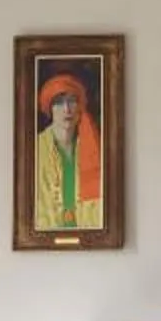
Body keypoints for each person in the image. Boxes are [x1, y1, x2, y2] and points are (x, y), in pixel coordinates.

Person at [34, 68, 103, 232]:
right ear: (50, 109)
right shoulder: (36, 148)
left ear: (80, 108)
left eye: (72, 101)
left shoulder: (95, 146)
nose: (66, 109)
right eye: (59, 102)